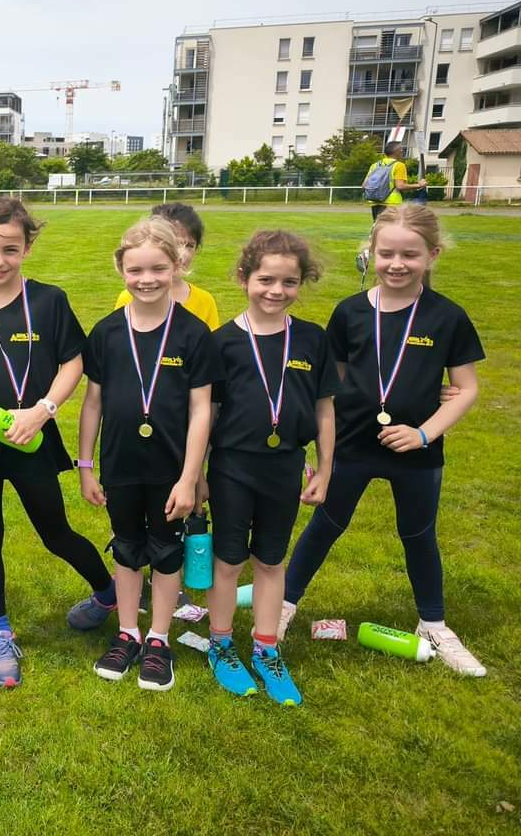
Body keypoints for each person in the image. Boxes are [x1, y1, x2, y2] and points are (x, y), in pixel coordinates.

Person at [282, 204, 486, 676]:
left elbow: (467, 388)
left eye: (409, 255)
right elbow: (328, 387)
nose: (396, 264)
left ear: (432, 255)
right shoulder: (350, 312)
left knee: (418, 535)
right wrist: (316, 449)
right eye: (386, 253)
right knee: (325, 527)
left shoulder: (447, 317)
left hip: (415, 451)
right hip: (352, 444)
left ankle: (432, 624)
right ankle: (283, 607)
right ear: (371, 253)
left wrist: (424, 432)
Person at [0, 196, 116, 688]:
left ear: (27, 248)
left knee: (55, 532)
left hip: (31, 435)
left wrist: (42, 412)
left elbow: (72, 363)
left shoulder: (48, 301)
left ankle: (109, 592)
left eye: (10, 250)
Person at [78, 217, 219, 692]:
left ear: (177, 265)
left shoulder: (194, 334)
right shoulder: (106, 332)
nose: (146, 279)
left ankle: (159, 638)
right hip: (120, 466)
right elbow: (93, 403)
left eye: (158, 268)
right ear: (121, 269)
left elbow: (201, 410)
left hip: (169, 469)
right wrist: (85, 466)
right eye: (136, 270)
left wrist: (190, 477)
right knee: (125, 546)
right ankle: (127, 632)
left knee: (165, 549)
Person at [205, 231, 336, 706]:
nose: (276, 291)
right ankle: (221, 645)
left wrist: (325, 468)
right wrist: (196, 474)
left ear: (302, 283)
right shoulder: (222, 343)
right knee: (228, 560)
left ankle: (266, 649)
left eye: (289, 282)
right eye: (265, 280)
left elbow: (324, 409)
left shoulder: (312, 339)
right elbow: (207, 415)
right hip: (231, 467)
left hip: (285, 466)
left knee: (271, 560)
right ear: (244, 278)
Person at [114, 202, 220, 330]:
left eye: (190, 246)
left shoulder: (205, 301)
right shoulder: (128, 297)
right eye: (175, 244)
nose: (183, 254)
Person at [365, 140, 427, 222]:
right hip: (392, 203)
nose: (402, 151)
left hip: (375, 202)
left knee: (379, 226)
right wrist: (419, 185)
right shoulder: (399, 165)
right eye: (401, 149)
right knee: (391, 227)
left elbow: (364, 185)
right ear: (396, 151)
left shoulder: (375, 165)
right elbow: (400, 186)